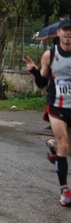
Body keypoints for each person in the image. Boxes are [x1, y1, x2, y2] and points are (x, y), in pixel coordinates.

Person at [23, 17, 71, 206]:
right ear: (58, 34)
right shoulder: (49, 55)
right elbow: (42, 83)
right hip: (56, 106)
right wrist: (35, 71)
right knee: (64, 146)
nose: (68, 34)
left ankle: (53, 146)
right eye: (65, 31)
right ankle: (65, 191)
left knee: (67, 149)